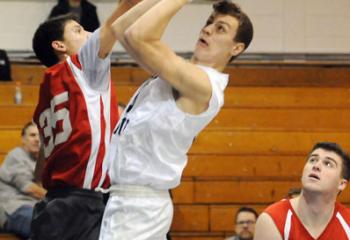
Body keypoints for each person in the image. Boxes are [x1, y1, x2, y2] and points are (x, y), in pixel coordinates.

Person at [99, 0, 254, 239]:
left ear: (236, 48)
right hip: (125, 200)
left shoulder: (205, 85)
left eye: (220, 28)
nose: (207, 29)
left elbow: (138, 34)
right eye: (209, 22)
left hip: (140, 206)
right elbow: (122, 28)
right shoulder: (180, 72)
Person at [31, 1, 140, 239]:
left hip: (52, 208)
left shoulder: (45, 96)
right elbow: (120, 17)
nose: (89, 33)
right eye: (78, 30)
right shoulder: (83, 64)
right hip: (80, 206)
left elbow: (39, 171)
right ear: (59, 45)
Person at [254, 142, 350, 240]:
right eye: (312, 160)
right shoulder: (272, 220)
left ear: (341, 184)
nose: (316, 166)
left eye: (328, 164)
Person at [0, 122, 46, 239]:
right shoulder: (16, 155)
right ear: (23, 139)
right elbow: (29, 188)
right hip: (14, 208)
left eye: (39, 136)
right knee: (42, 226)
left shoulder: (43, 160)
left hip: (36, 207)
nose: (36, 139)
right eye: (32, 135)